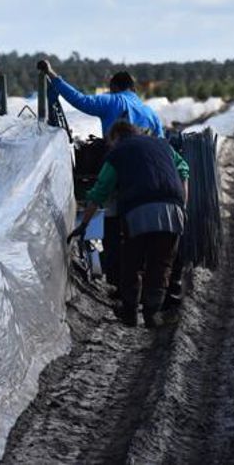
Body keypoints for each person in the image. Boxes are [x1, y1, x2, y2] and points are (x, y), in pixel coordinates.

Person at [38, 59, 166, 293]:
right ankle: (146, 285)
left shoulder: (113, 102)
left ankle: (118, 282)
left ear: (114, 87)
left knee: (115, 227)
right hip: (150, 180)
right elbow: (162, 145)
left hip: (121, 177)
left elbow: (80, 100)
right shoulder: (150, 113)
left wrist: (53, 76)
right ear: (133, 89)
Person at [69, 120, 189, 328]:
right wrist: (182, 204)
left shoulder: (117, 153)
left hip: (139, 211)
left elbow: (100, 192)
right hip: (173, 211)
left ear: (115, 138)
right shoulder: (162, 145)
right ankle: (152, 314)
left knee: (131, 262)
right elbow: (184, 170)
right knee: (161, 264)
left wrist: (84, 224)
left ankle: (130, 313)